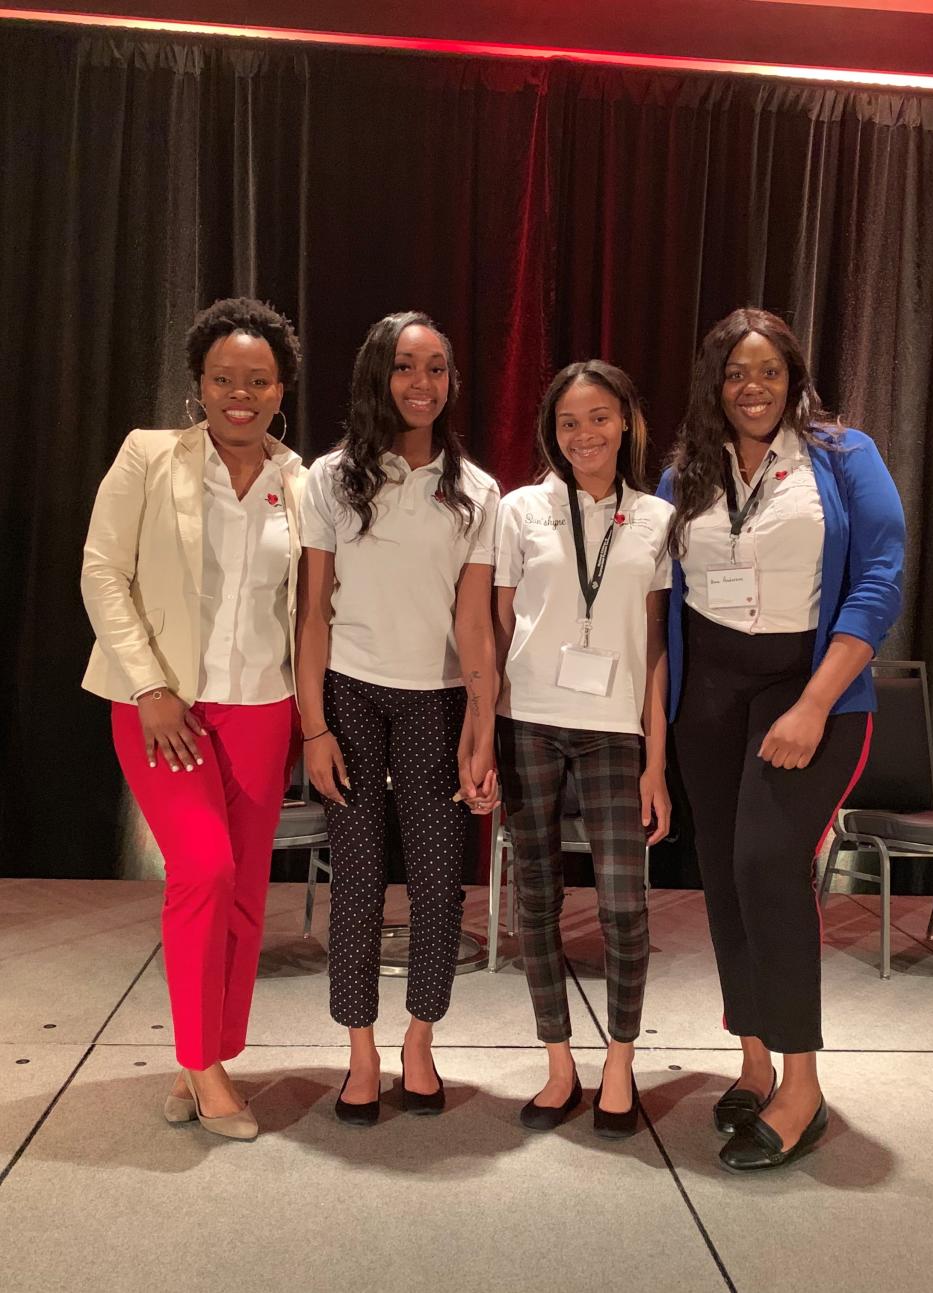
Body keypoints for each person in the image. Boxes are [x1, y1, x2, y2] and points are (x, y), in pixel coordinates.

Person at [657, 307, 904, 1171]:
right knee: (724, 876)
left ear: (793, 376)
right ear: (713, 385)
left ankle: (803, 1085)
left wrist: (811, 702)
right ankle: (754, 1060)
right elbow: (656, 592)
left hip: (812, 688)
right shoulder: (685, 470)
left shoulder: (844, 455)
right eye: (733, 373)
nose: (750, 387)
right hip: (710, 697)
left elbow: (879, 577)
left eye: (766, 370)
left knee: (768, 862)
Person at [81, 297, 306, 1141]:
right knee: (203, 870)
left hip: (262, 706)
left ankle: (204, 1054)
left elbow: (310, 606)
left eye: (258, 380)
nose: (239, 394)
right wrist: (148, 685)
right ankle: (206, 1068)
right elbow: (103, 572)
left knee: (246, 893)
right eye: (223, 379)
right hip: (164, 708)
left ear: (281, 388)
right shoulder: (148, 458)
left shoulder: (301, 479)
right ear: (199, 384)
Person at [296, 310, 499, 1126]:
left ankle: (420, 1040)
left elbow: (476, 621)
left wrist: (480, 731)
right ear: (379, 374)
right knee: (355, 879)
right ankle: (360, 1050)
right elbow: (311, 615)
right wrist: (313, 728)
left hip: (439, 697)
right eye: (408, 367)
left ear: (452, 382)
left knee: (439, 881)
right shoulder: (331, 477)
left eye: (438, 368)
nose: (423, 384)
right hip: (349, 692)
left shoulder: (475, 489)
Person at [494, 360, 673, 1138]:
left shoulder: (660, 518)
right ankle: (559, 1060)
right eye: (569, 422)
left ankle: (622, 1062)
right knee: (537, 900)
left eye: (599, 417)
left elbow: (659, 649)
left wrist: (656, 764)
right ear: (552, 431)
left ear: (626, 422)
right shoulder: (519, 510)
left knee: (624, 905)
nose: (584, 434)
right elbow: (501, 622)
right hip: (528, 716)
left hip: (615, 727)